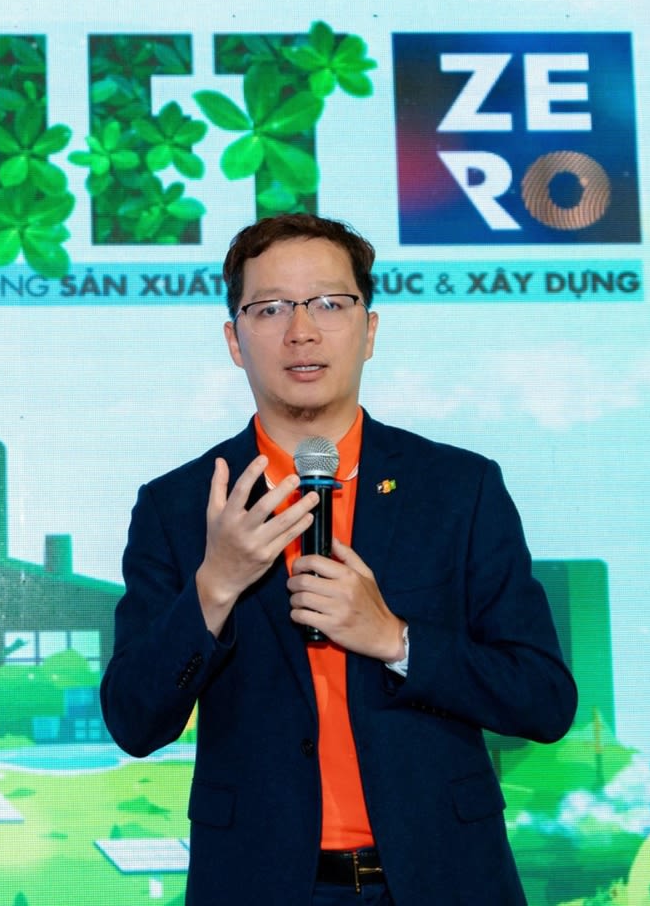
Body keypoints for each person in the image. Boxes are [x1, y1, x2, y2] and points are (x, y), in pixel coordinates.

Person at [100, 213, 576, 905]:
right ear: (234, 340)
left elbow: (544, 699)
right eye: (270, 309)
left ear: (369, 330)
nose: (302, 331)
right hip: (260, 886)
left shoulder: (458, 489)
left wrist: (396, 640)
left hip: (444, 878)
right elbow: (133, 722)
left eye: (329, 303)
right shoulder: (179, 506)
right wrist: (214, 587)